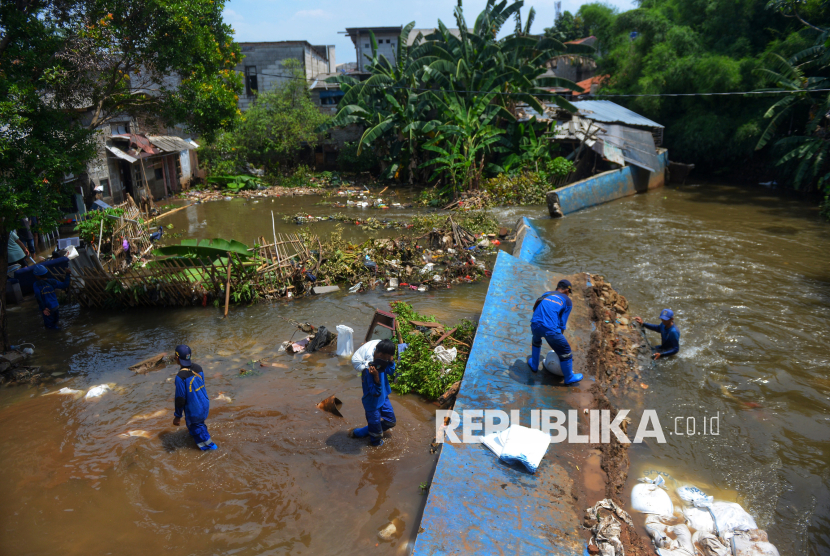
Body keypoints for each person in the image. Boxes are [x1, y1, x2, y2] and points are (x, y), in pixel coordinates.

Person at [527, 279, 583, 384]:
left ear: (557, 288)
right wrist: (557, 342)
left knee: (536, 339)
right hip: (550, 330)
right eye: (569, 293)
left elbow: (535, 308)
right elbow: (562, 323)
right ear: (567, 291)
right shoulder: (567, 300)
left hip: (534, 324)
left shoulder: (546, 294)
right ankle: (569, 377)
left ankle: (534, 365)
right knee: (565, 350)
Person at [350, 338, 397, 447]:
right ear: (380, 354)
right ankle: (363, 436)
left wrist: (391, 361)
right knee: (376, 437)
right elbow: (374, 392)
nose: (386, 361)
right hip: (372, 403)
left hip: (383, 397)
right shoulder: (369, 369)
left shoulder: (382, 362)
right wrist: (376, 376)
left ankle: (361, 432)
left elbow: (391, 371)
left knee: (391, 422)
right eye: (386, 358)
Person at [172, 345, 217, 451]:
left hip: (194, 409)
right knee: (196, 424)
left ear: (177, 358)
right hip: (204, 403)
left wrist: (177, 416)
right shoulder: (198, 368)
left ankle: (213, 449)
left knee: (198, 429)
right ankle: (195, 433)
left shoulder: (180, 377)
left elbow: (180, 399)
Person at [32, 265, 72, 329]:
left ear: (37, 276)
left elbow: (38, 296)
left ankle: (57, 335)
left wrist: (43, 308)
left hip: (47, 308)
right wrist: (67, 274)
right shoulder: (52, 281)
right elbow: (65, 285)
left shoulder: (36, 284)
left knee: (50, 327)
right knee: (56, 323)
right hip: (55, 306)